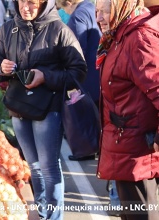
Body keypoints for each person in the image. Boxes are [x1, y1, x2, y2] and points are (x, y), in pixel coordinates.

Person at [0, 0, 87, 218]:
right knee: (33, 167)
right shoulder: (8, 29)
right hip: (19, 108)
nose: (26, 7)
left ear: (45, 3)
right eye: (21, 2)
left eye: (32, 3)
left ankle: (53, 216)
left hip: (48, 109)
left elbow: (79, 71)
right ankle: (43, 213)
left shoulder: (59, 29)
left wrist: (46, 76)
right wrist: (2, 68)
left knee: (49, 167)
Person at [95, 0, 159, 219]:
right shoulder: (118, 35)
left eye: (105, 11)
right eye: (97, 11)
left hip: (138, 152)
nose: (99, 17)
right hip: (125, 147)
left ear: (123, 7)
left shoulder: (138, 39)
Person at [57, 0, 101, 161]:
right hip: (99, 70)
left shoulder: (77, 16)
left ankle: (87, 148)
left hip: (87, 75)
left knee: (86, 113)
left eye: (64, 8)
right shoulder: (91, 7)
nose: (66, 12)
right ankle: (95, 148)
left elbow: (75, 49)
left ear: (68, 2)